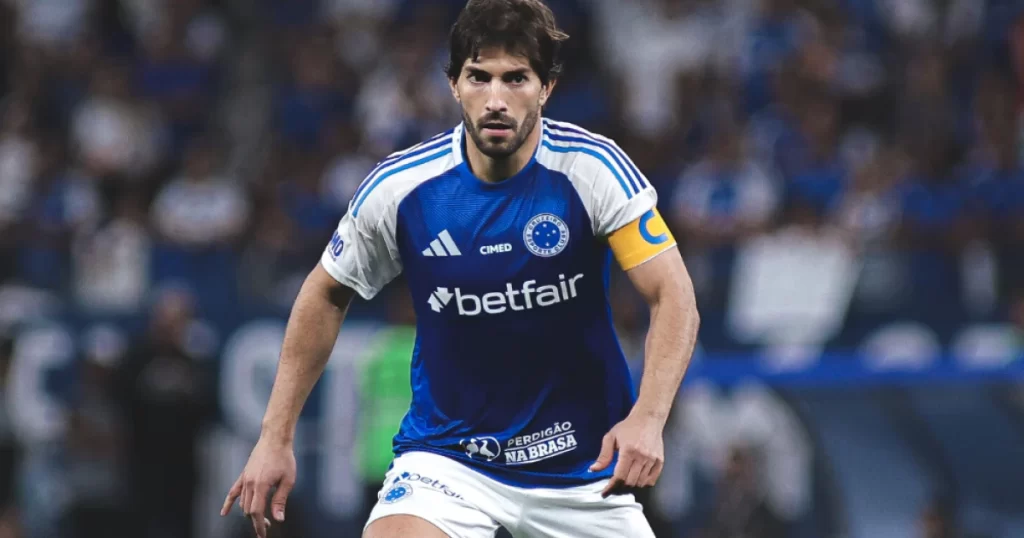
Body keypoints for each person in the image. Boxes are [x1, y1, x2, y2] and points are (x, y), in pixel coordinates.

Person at [220, 1, 700, 536]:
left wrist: (648, 418)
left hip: (583, 472)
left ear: (546, 88)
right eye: (479, 77)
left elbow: (673, 294)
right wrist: (275, 436)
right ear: (453, 84)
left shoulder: (593, 169)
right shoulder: (403, 189)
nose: (496, 99)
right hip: (449, 462)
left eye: (516, 78)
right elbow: (325, 293)